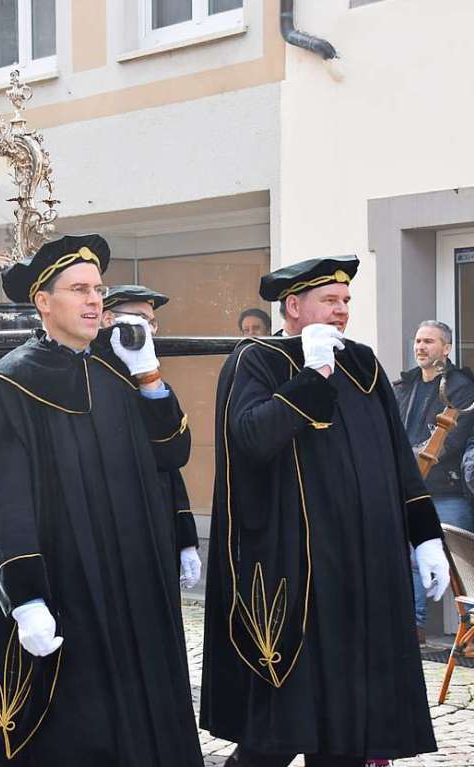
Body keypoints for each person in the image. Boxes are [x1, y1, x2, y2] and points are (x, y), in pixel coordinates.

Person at [201, 255, 451, 767]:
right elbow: (249, 438)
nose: (341, 312)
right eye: (330, 301)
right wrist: (312, 375)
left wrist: (425, 535)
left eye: (346, 302)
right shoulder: (257, 360)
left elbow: (398, 458)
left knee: (350, 730)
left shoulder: (362, 364)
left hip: (364, 569)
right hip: (296, 569)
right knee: (277, 729)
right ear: (293, 306)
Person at [0, 235, 202, 766]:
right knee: (78, 724)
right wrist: (25, 595)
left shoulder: (118, 372)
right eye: (79, 290)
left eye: (98, 289)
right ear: (43, 302)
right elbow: (3, 501)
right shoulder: (11, 382)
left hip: (136, 577)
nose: (95, 300)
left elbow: (173, 453)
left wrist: (148, 375)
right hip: (70, 582)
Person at [101, 284, 202, 590]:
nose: (150, 330)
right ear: (108, 321)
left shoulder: (146, 376)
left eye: (152, 322)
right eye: (140, 319)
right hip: (114, 532)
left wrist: (186, 539)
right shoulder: (94, 377)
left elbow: (172, 459)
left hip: (157, 525)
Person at [393, 320, 474, 645]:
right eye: (418, 341)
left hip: (447, 490)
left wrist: (413, 458)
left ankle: (468, 631)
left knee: (461, 562)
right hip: (411, 491)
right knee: (411, 560)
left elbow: (452, 441)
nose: (421, 347)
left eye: (429, 341)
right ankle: (414, 629)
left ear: (447, 348)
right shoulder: (404, 385)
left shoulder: (461, 387)